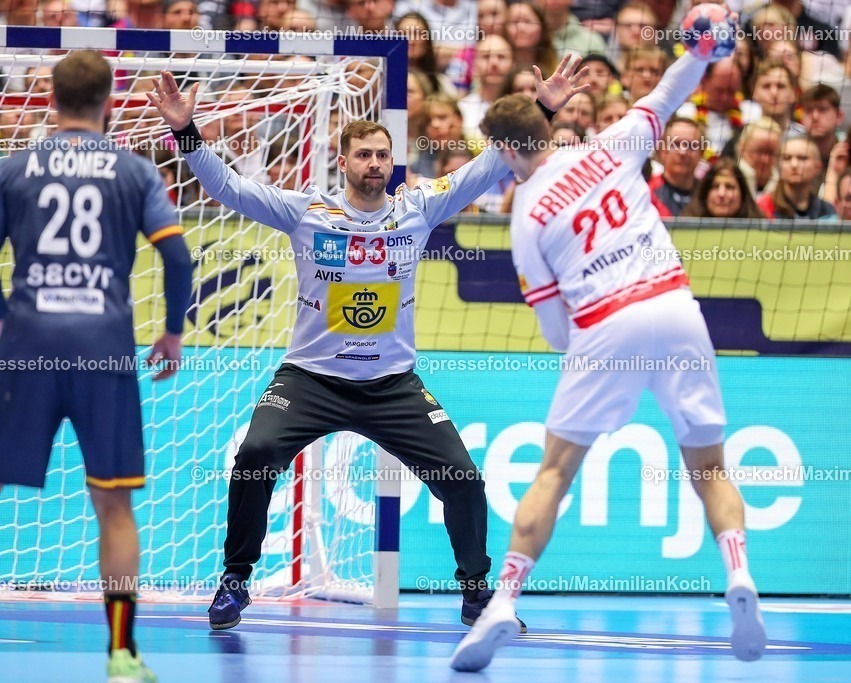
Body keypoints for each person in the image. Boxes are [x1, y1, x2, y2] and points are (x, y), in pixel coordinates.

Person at [147, 55, 590, 633]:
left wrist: (544, 107)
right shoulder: (307, 211)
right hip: (310, 380)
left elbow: (491, 166)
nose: (376, 163)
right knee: (254, 460)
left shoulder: (418, 208)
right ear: (344, 161)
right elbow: (226, 186)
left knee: (463, 479)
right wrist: (185, 131)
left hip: (392, 386)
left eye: (383, 154)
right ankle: (235, 582)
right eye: (364, 154)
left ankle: (477, 595)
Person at [451, 48, 767, 672]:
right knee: (709, 466)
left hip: (604, 324)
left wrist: (597, 362)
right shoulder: (610, 145)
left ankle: (501, 603)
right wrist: (701, 48)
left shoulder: (525, 215)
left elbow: (554, 329)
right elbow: (670, 93)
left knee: (553, 472)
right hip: (675, 306)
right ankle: (739, 571)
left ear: (508, 153)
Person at [0, 50, 193, 683]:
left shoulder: (12, 168)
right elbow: (180, 259)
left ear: (49, 98)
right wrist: (171, 332)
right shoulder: (135, 171)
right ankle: (121, 652)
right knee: (113, 503)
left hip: (28, 342)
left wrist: (0, 315)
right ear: (109, 101)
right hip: (104, 347)